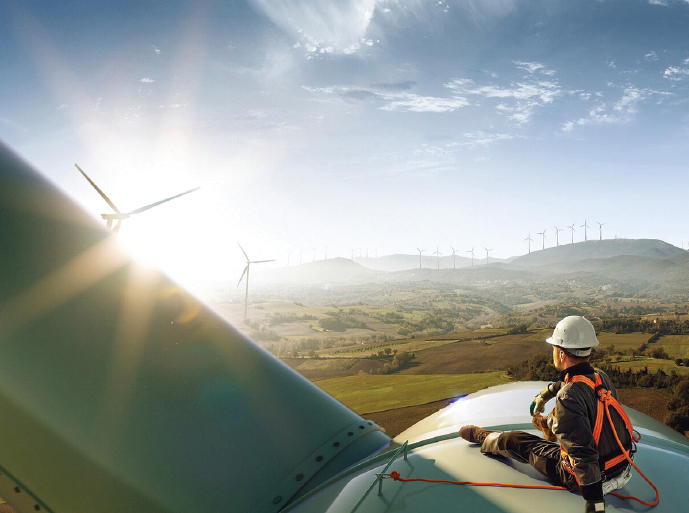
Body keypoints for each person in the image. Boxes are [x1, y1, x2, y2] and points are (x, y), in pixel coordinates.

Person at [459, 316, 633, 513]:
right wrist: (543, 396)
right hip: (620, 464)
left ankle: (486, 437)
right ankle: (549, 426)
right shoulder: (600, 376)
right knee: (565, 412)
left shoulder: (568, 397)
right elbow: (566, 384)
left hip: (583, 475)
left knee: (517, 441)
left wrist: (595, 504)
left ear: (560, 354)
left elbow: (583, 455)